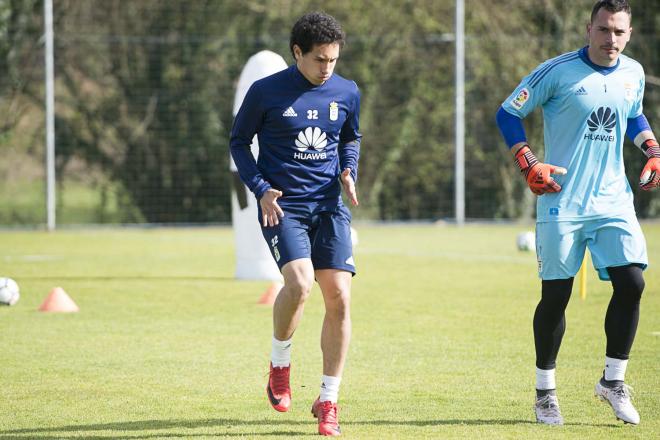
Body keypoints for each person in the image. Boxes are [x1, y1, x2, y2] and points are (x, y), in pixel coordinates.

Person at [496, 0, 658, 426]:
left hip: (612, 201)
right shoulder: (558, 71)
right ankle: (545, 393)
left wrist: (652, 148)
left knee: (632, 283)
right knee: (556, 297)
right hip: (561, 200)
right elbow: (508, 112)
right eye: (603, 30)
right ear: (589, 29)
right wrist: (529, 162)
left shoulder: (633, 73)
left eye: (619, 32)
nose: (611, 40)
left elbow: (633, 114)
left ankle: (613, 382)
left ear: (629, 34)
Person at [230, 11, 361, 437]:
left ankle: (328, 400)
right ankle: (280, 365)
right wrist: (261, 188)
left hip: (329, 207)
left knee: (339, 297)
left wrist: (348, 171)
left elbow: (349, 138)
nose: (328, 69)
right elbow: (238, 142)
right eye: (320, 59)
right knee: (301, 284)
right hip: (282, 207)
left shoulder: (347, 91)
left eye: (334, 61)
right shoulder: (266, 92)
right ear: (297, 52)